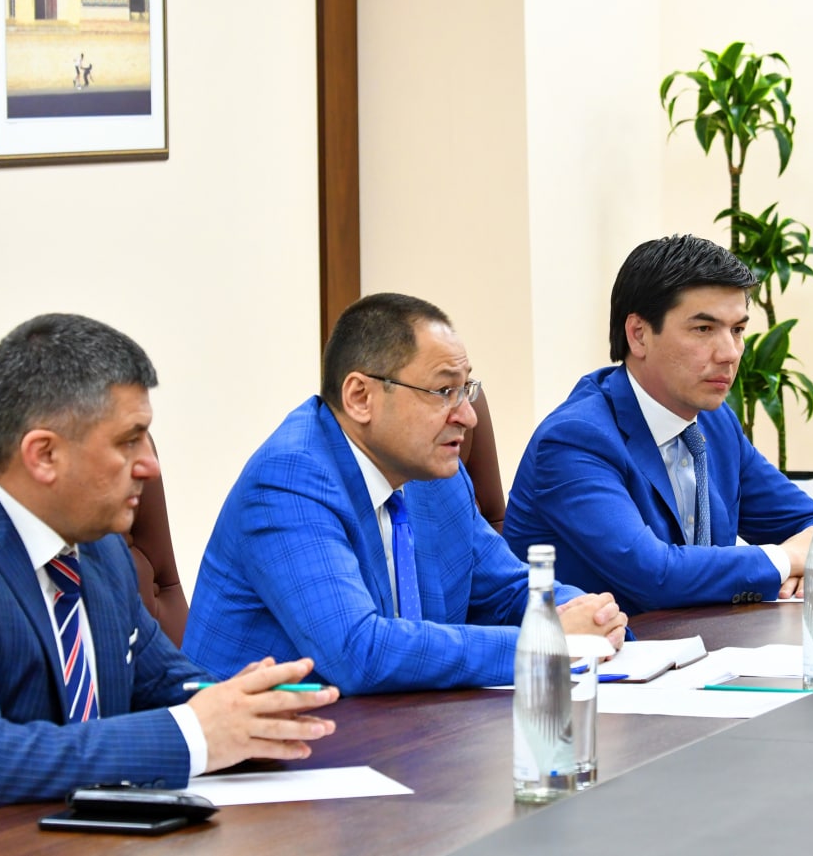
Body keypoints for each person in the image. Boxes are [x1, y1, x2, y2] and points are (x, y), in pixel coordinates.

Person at [0, 314, 339, 849]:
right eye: (129, 441)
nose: (150, 465)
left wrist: (244, 705)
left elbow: (164, 684)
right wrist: (195, 733)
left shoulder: (98, 548)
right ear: (43, 455)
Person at [183, 293, 628, 695]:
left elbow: (508, 591)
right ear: (360, 397)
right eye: (444, 391)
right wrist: (545, 641)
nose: (468, 416)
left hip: (398, 731)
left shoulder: (435, 474)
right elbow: (359, 652)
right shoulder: (290, 480)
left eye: (466, 389)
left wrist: (587, 616)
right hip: (267, 747)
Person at [503, 234, 813, 616]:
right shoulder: (576, 439)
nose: (729, 353)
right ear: (639, 335)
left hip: (707, 643)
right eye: (703, 329)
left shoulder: (715, 423)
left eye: (737, 330)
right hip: (607, 651)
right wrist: (789, 560)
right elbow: (654, 576)